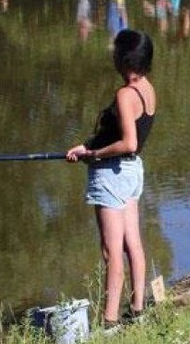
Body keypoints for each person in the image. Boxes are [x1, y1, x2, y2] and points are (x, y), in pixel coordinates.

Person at [65, 29, 157, 328]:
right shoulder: (146, 88)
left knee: (111, 250)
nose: (112, 54)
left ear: (125, 58)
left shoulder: (125, 95)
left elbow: (128, 142)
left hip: (112, 175)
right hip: (131, 172)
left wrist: (94, 154)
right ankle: (138, 310)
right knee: (133, 244)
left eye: (115, 50)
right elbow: (124, 138)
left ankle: (110, 322)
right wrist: (87, 146)